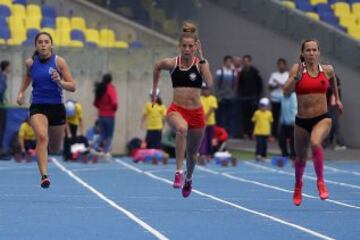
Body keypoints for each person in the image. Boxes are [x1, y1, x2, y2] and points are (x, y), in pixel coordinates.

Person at [152, 21, 212, 198]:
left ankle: (189, 178)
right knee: (181, 129)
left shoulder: (201, 64)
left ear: (195, 47)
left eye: (190, 46)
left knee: (192, 156)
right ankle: (178, 171)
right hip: (177, 110)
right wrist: (155, 91)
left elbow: (209, 83)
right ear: (179, 46)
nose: (187, 49)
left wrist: (202, 56)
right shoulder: (172, 63)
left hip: (197, 113)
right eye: (184, 46)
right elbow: (157, 66)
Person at [283, 39, 343, 206]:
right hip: (302, 120)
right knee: (300, 158)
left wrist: (337, 100)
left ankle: (321, 182)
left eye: (314, 50)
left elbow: (333, 83)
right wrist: (296, 78)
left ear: (318, 52)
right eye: (308, 50)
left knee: (316, 143)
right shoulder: (297, 69)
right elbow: (285, 91)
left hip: (322, 117)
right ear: (302, 53)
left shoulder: (328, 69)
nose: (311, 53)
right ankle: (298, 186)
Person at [16, 31, 76, 188]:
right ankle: (44, 176)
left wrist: (60, 81)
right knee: (42, 137)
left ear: (51, 45)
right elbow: (28, 77)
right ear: (36, 45)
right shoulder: (31, 62)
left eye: (46, 42)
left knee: (55, 148)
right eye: (40, 42)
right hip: (38, 105)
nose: (43, 44)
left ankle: (45, 149)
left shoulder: (59, 62)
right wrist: (21, 92)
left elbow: (73, 86)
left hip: (56, 107)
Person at [237, 54, 263, 139]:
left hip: (253, 98)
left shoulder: (255, 71)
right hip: (244, 98)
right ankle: (245, 133)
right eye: (244, 61)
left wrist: (257, 96)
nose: (246, 63)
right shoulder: (242, 72)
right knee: (245, 117)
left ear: (250, 62)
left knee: (253, 117)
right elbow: (239, 85)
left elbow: (260, 84)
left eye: (247, 61)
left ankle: (253, 133)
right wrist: (240, 94)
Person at [93, 73, 118, 159]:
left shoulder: (100, 88)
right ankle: (105, 152)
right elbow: (114, 102)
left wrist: (101, 108)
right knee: (109, 135)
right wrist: (113, 109)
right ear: (110, 80)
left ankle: (92, 146)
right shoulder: (110, 88)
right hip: (110, 115)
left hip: (101, 115)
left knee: (102, 134)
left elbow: (95, 103)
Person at [214, 55, 236, 137]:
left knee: (230, 116)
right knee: (221, 116)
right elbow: (217, 85)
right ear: (224, 62)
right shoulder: (220, 71)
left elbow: (234, 85)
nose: (229, 63)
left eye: (230, 62)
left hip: (230, 97)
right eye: (227, 62)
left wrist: (233, 95)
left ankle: (230, 133)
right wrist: (218, 96)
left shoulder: (233, 72)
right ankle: (221, 132)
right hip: (222, 97)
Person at [268, 58, 289, 139]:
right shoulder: (274, 75)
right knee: (275, 117)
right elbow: (269, 87)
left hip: (285, 100)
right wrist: (277, 85)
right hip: (275, 99)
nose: (281, 66)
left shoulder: (288, 75)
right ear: (278, 65)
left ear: (285, 65)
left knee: (285, 118)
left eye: (282, 64)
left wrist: (283, 85)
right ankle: (274, 135)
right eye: (279, 64)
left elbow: (290, 86)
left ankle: (285, 136)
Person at [199, 83, 218, 162]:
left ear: (210, 90)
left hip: (210, 122)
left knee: (210, 139)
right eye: (204, 89)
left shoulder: (213, 98)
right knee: (203, 138)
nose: (205, 91)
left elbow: (212, 108)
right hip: (202, 122)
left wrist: (206, 116)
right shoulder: (200, 98)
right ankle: (202, 154)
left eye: (206, 89)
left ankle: (209, 154)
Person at [252, 97, 273, 162]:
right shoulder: (257, 113)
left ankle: (264, 156)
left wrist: (270, 133)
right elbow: (254, 121)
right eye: (261, 106)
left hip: (266, 132)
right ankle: (258, 155)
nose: (263, 107)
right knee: (259, 143)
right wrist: (254, 132)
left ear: (267, 106)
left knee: (265, 144)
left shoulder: (269, 113)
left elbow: (270, 122)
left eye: (264, 106)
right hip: (258, 132)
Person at [278, 92, 297, 160]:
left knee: (293, 140)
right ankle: (285, 153)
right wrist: (281, 120)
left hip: (292, 122)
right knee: (281, 139)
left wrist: (294, 120)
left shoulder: (293, 96)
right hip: (284, 122)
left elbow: (294, 109)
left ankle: (294, 154)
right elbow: (282, 109)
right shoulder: (283, 96)